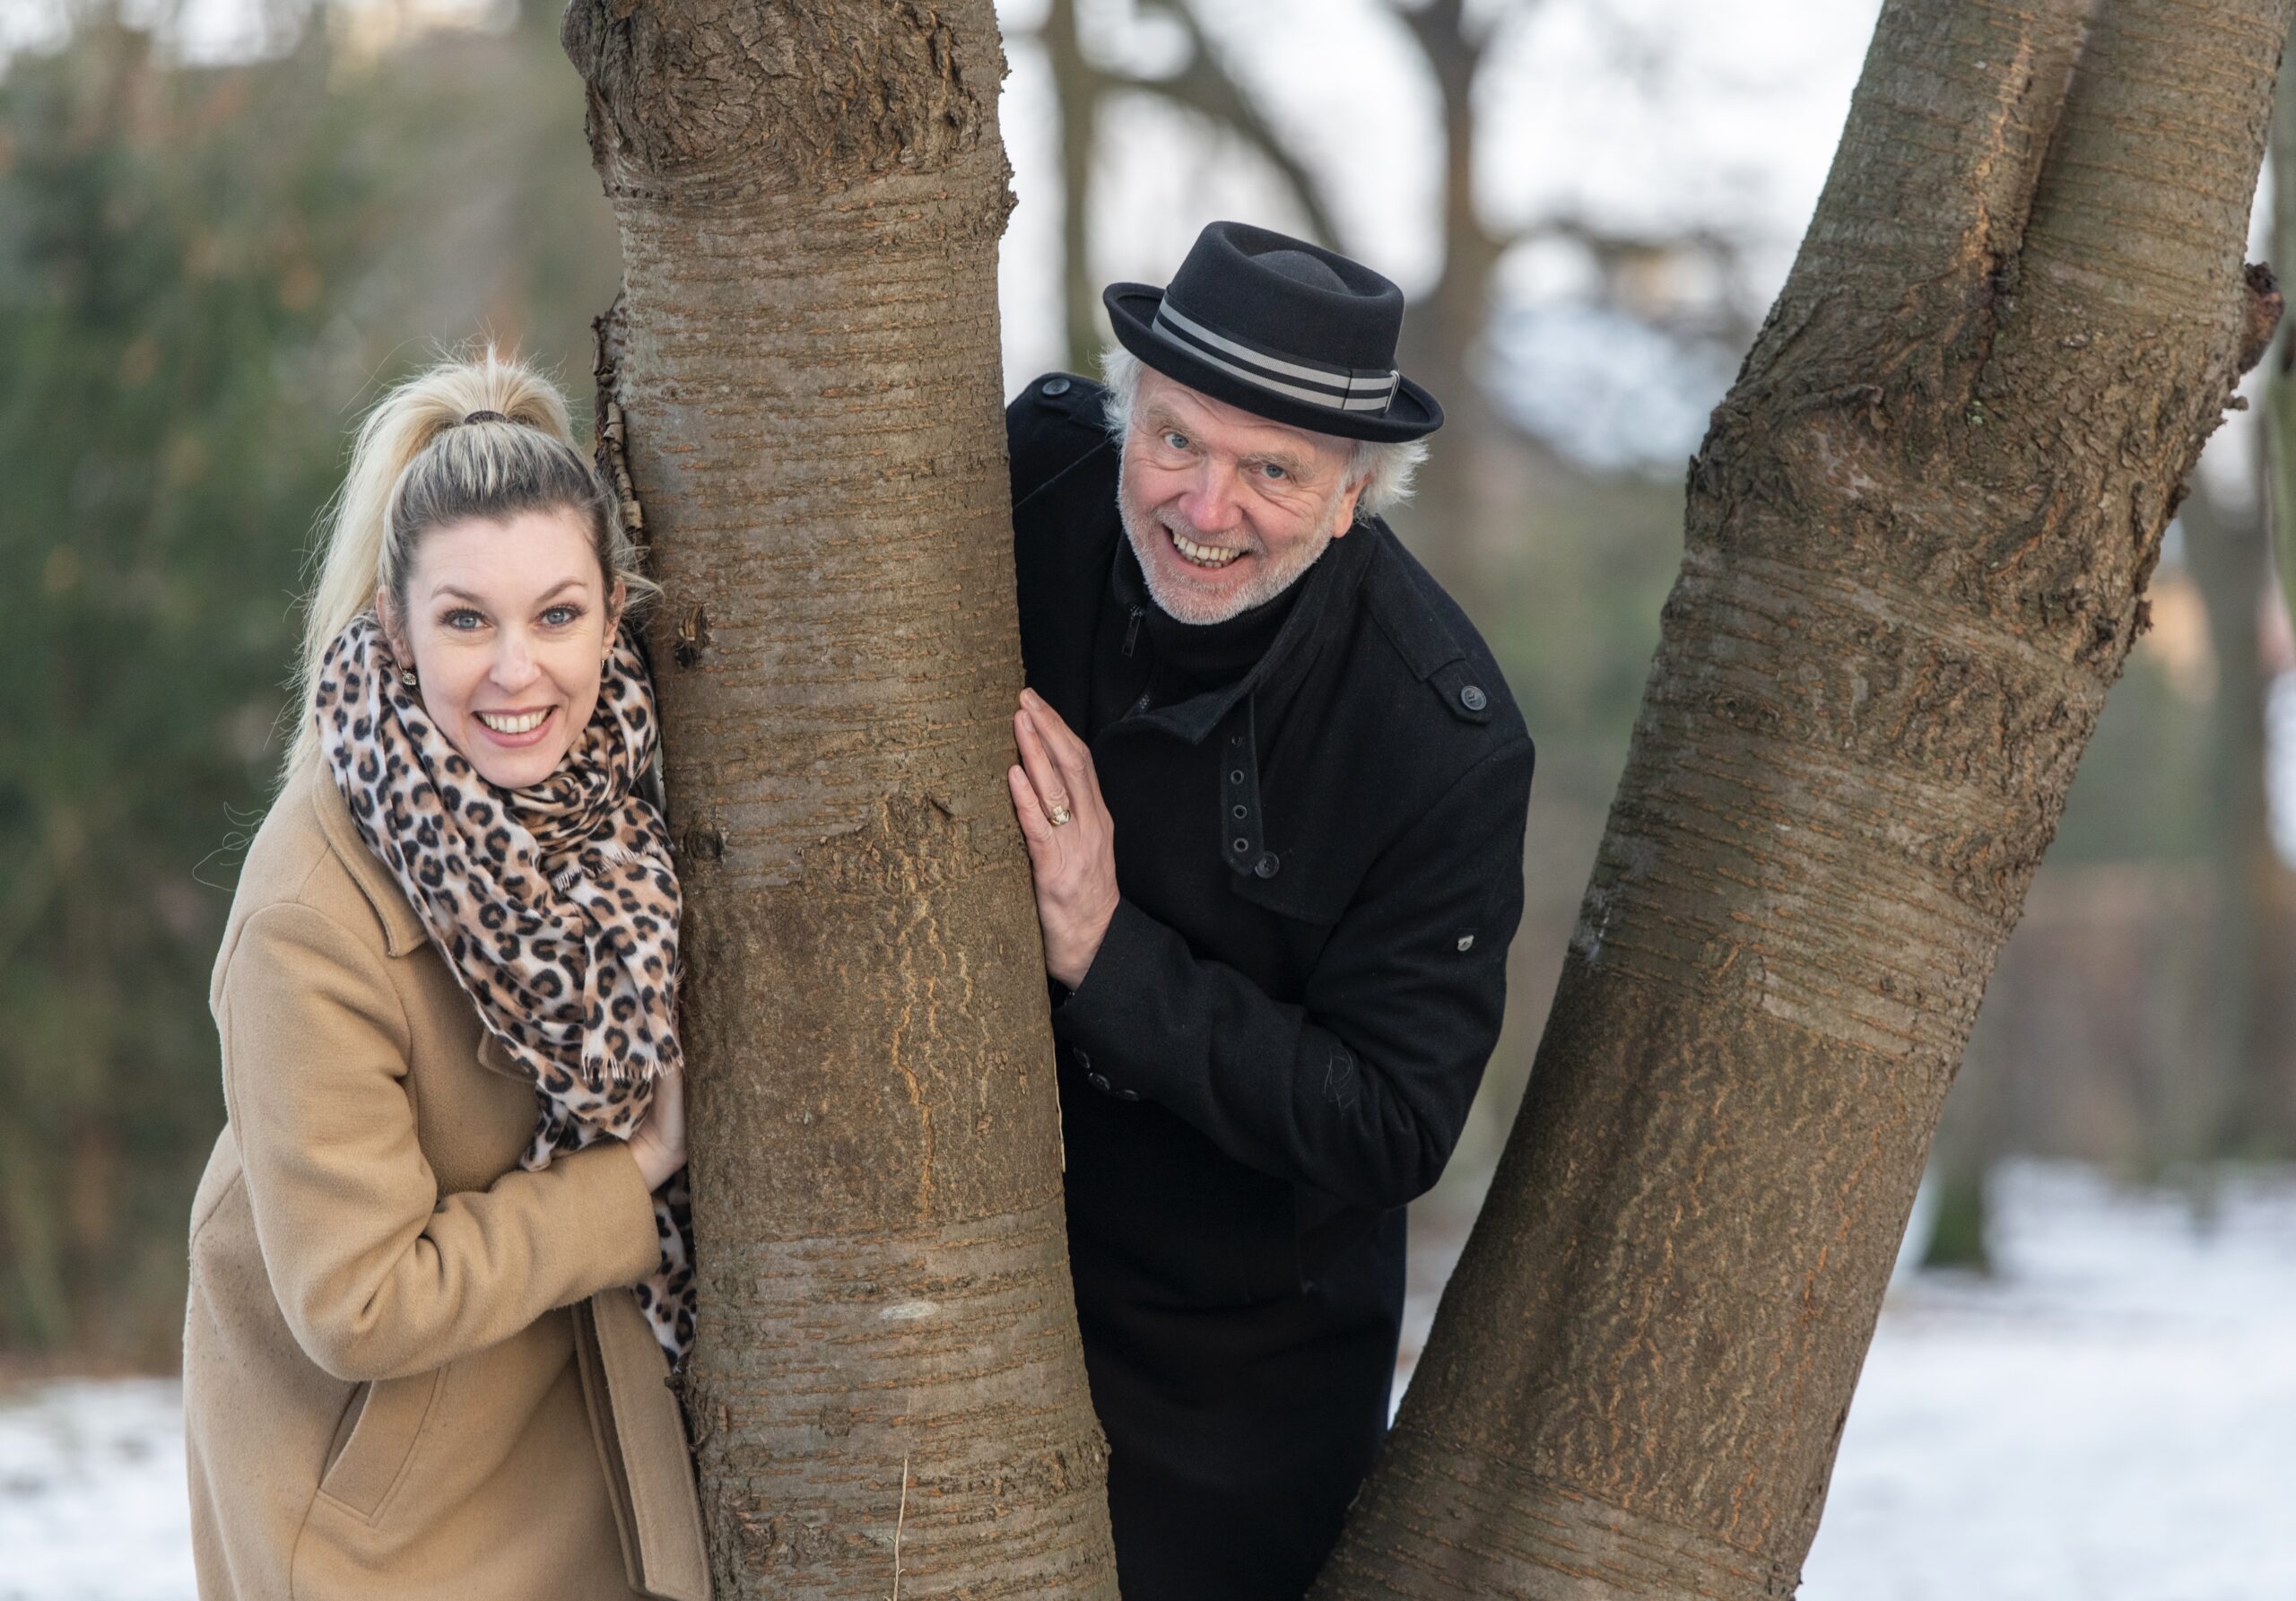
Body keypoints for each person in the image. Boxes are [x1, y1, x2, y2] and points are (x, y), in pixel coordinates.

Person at [1002, 222, 1535, 1598]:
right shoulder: (1030, 485)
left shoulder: (1441, 743)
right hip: (963, 1240)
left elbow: (1395, 1119)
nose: (1204, 506)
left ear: (1357, 494)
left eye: (1274, 472)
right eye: (1175, 441)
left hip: (1227, 1372)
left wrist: (1105, 952)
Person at [182, 351, 709, 1601]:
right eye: (467, 619)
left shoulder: (630, 796)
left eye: (557, 615)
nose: (517, 671)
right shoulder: (311, 910)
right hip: (391, 1525)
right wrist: (628, 1176)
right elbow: (356, 1295)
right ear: (395, 627)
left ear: (613, 607)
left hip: (584, 1456)